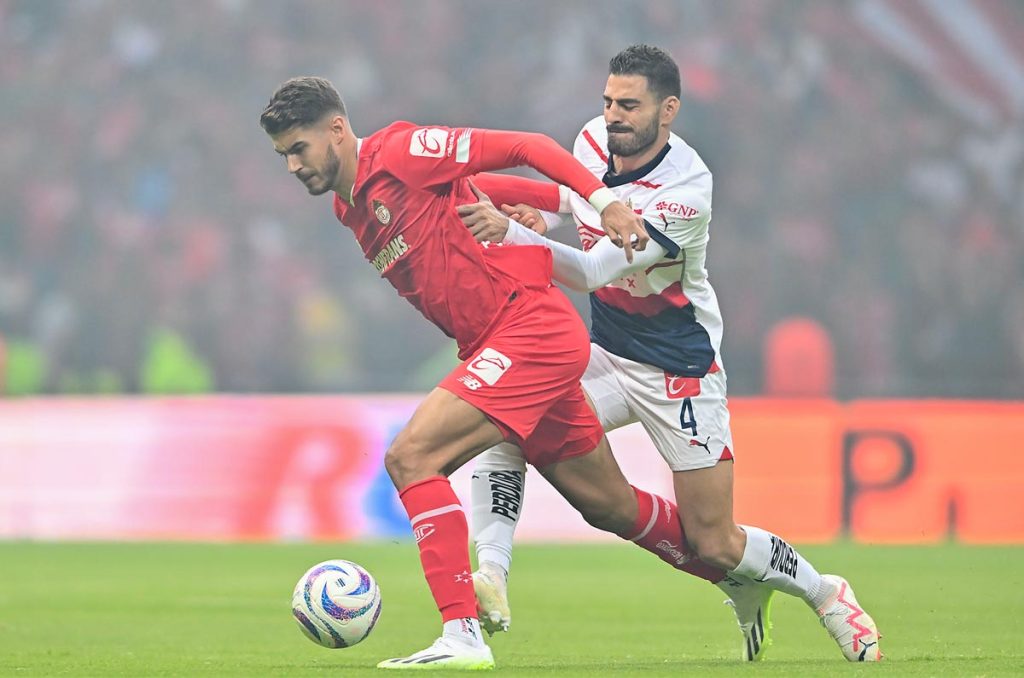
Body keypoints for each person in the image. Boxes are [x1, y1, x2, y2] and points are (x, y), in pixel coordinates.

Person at [258, 75, 731, 671]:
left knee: (411, 458)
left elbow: (528, 146)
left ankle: (462, 634)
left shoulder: (401, 152)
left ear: (336, 129)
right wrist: (530, 205)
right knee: (611, 507)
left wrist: (603, 200)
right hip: (503, 342)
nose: (294, 165)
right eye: (283, 156)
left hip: (528, 330)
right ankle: (762, 576)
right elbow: (479, 185)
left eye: (299, 148)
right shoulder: (346, 205)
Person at [460, 44, 883, 663]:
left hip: (679, 367)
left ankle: (823, 592)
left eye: (629, 105)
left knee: (715, 541)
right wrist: (544, 218)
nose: (613, 116)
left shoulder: (687, 189)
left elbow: (593, 272)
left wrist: (515, 234)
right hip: (606, 352)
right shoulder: (589, 141)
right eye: (608, 102)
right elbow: (580, 203)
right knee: (507, 421)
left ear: (669, 110)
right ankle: (491, 576)